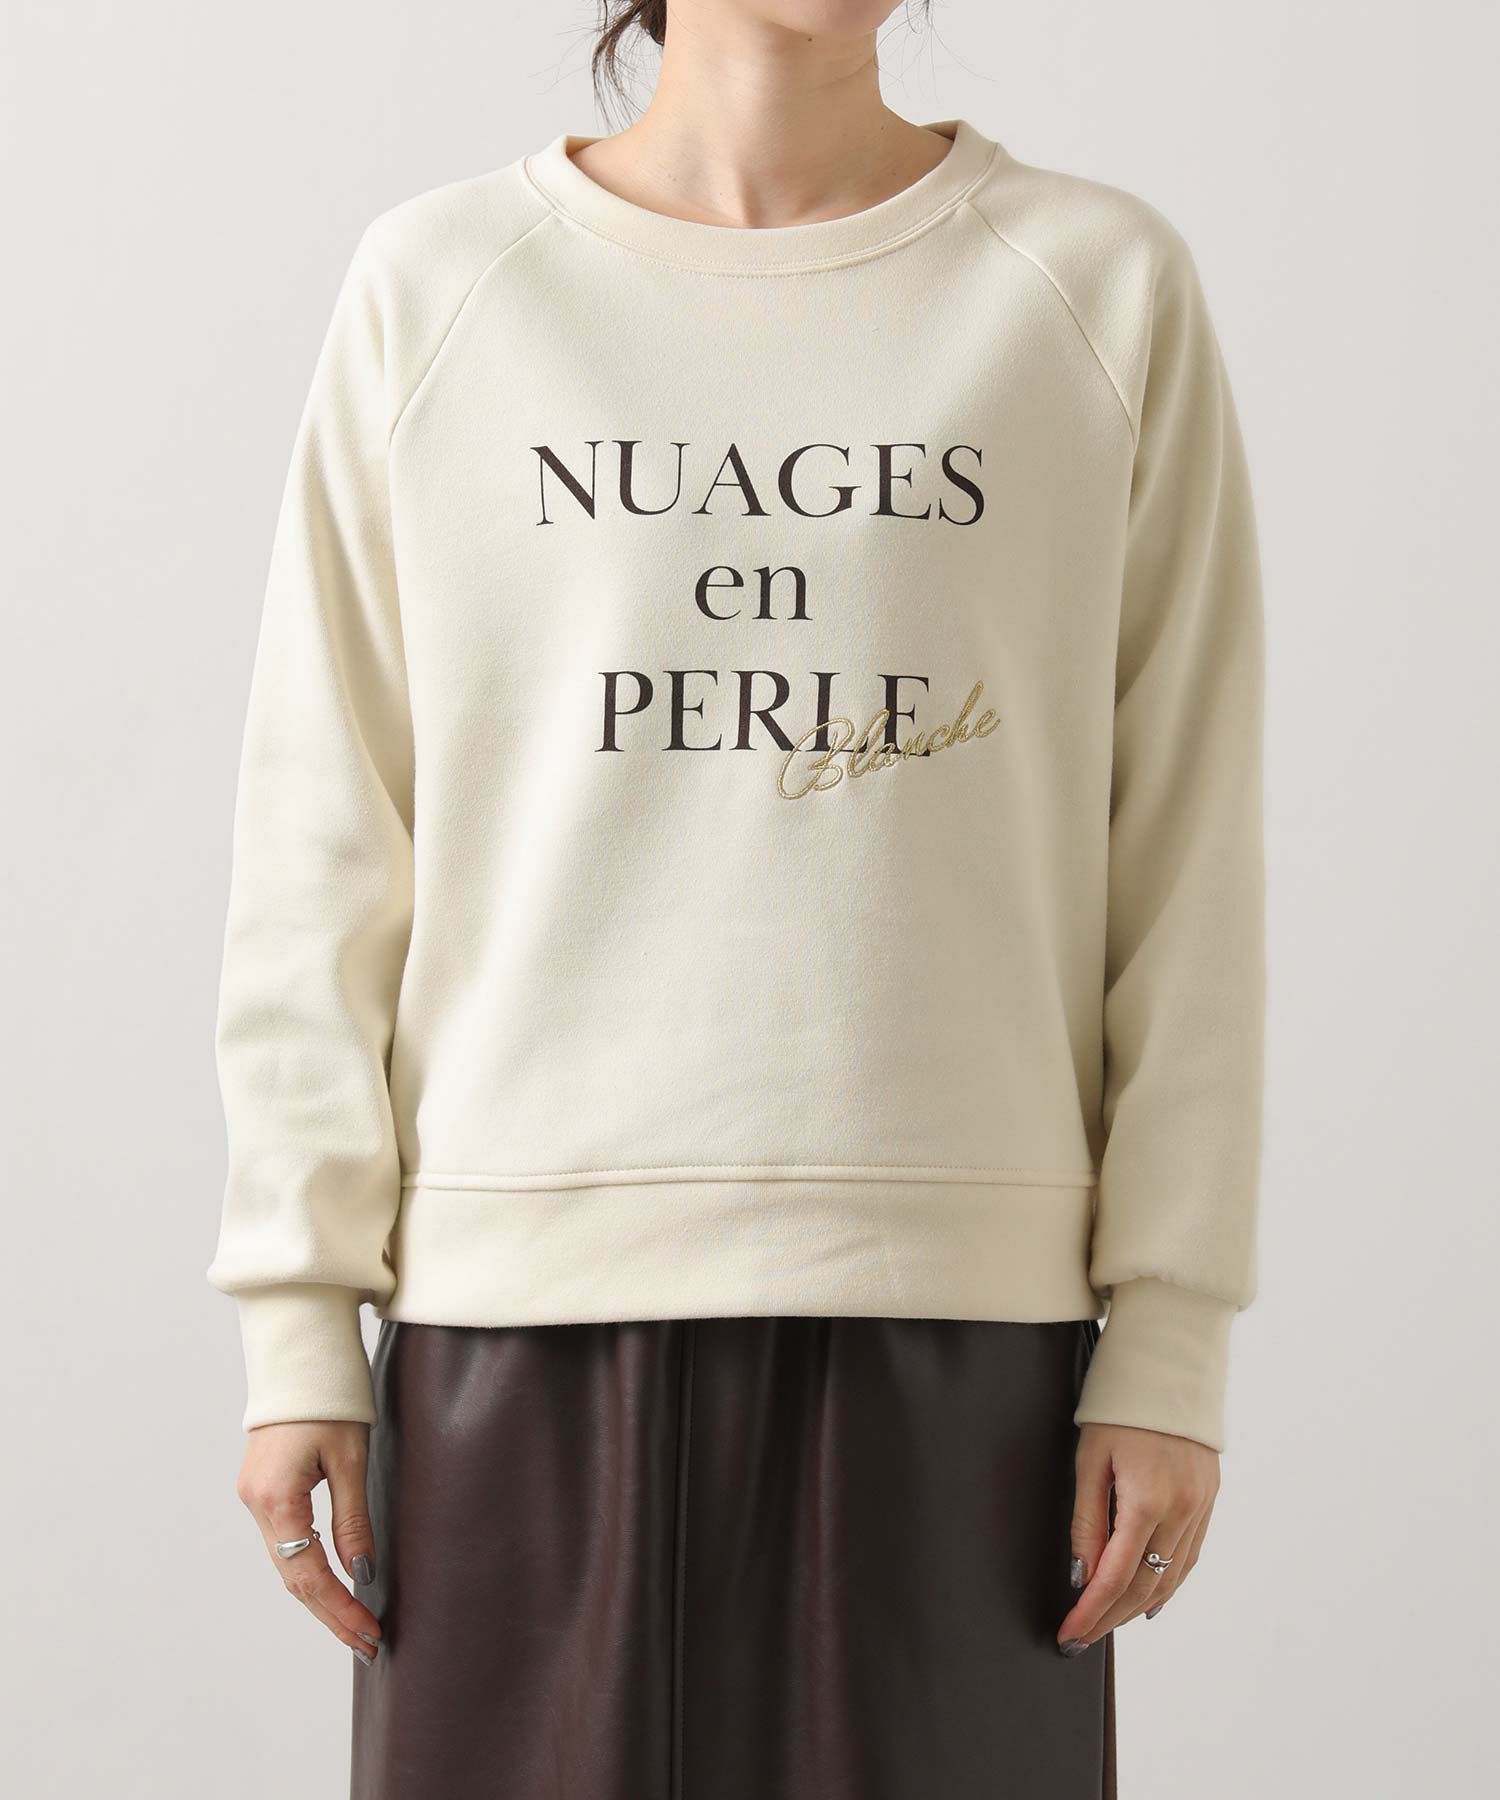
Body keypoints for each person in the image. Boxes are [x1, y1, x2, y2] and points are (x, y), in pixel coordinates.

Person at [208, 3, 1265, 1795]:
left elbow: (1185, 851)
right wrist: (296, 1313)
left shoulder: (1094, 287)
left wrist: (1170, 1331)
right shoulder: (443, 286)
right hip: (515, 1312)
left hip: (966, 1325)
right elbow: (326, 830)